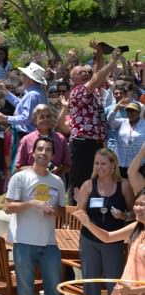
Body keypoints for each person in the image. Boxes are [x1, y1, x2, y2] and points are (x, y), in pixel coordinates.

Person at [5, 136, 70, 295]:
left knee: (53, 287)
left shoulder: (57, 181)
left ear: (53, 155)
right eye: (40, 149)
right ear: (33, 152)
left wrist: (54, 211)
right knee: (26, 288)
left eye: (48, 150)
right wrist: (32, 203)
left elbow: (63, 211)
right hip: (24, 241)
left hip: (49, 242)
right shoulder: (20, 178)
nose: (44, 153)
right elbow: (8, 207)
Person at [74, 148, 134, 295]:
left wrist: (122, 216)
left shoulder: (124, 186)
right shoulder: (88, 185)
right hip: (90, 240)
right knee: (90, 289)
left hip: (114, 243)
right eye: (97, 163)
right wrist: (80, 205)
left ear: (113, 165)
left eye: (104, 164)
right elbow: (80, 212)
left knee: (116, 291)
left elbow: (135, 214)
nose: (100, 167)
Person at [68, 47, 122, 202]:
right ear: (74, 80)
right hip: (82, 144)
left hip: (95, 144)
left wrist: (99, 53)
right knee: (79, 180)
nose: (85, 73)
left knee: (93, 180)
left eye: (86, 71)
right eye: (80, 73)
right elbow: (95, 78)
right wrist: (112, 61)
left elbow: (96, 75)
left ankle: (88, 213)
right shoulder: (78, 91)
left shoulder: (93, 91)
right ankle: (73, 217)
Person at [15, 104, 72, 180]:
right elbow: (18, 168)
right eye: (41, 117)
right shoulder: (26, 140)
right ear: (35, 120)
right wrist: (37, 169)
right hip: (32, 184)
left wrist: (58, 169)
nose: (45, 120)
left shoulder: (61, 139)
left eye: (48, 116)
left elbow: (68, 166)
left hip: (54, 184)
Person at [0, 62, 48, 136]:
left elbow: (26, 119)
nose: (22, 78)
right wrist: (5, 91)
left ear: (28, 79)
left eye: (24, 76)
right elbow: (21, 105)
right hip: (32, 134)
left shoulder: (32, 95)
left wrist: (5, 118)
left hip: (26, 134)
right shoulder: (39, 93)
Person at [107, 101, 145, 178]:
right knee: (121, 186)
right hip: (121, 162)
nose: (130, 113)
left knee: (135, 187)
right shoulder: (122, 122)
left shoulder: (144, 124)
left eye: (133, 110)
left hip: (137, 164)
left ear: (138, 112)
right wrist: (116, 108)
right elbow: (110, 122)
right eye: (128, 110)